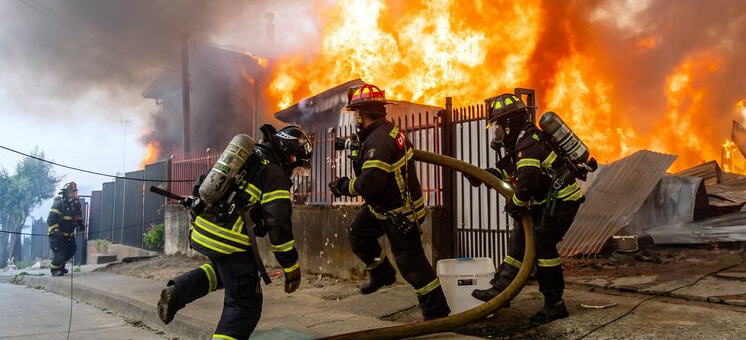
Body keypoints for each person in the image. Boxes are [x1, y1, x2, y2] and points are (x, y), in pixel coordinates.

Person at [157, 125, 312, 340]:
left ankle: (179, 290)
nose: (294, 174)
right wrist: (290, 264)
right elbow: (278, 223)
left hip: (202, 231)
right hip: (229, 241)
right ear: (290, 156)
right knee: (244, 305)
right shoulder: (275, 174)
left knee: (228, 273)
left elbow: (202, 183)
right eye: (297, 168)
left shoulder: (246, 156)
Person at [329, 83, 450, 321]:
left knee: (413, 267)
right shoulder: (385, 132)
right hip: (381, 207)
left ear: (362, 113)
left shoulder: (379, 140)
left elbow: (371, 183)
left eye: (356, 114)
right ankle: (382, 273)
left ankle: (437, 315)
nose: (355, 119)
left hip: (400, 213)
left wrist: (343, 186)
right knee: (359, 235)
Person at [469, 93, 585, 326]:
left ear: (508, 124)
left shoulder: (528, 142)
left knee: (543, 247)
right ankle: (500, 290)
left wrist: (517, 204)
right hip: (546, 203)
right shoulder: (521, 141)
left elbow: (528, 181)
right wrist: (482, 175)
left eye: (498, 125)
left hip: (562, 202)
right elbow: (511, 171)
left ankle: (555, 305)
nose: (496, 131)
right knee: (519, 239)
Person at [47, 182, 84, 276]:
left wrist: (80, 224)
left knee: (71, 250)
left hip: (69, 235)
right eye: (72, 192)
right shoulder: (59, 204)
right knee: (60, 253)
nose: (74, 194)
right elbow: (51, 219)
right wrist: (55, 230)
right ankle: (54, 269)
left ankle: (61, 267)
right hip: (57, 235)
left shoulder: (75, 205)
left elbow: (77, 217)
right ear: (67, 193)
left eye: (75, 191)